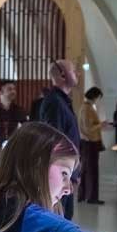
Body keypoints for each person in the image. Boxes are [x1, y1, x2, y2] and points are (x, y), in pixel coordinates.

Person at [40, 60, 81, 220]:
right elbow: (54, 143)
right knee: (60, 221)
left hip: (66, 175)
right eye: (73, 70)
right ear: (63, 75)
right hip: (60, 178)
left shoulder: (62, 102)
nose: (77, 73)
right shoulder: (55, 103)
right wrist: (64, 177)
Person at [78, 87, 110, 204]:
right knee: (92, 170)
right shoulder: (87, 109)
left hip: (87, 142)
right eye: (98, 98)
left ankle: (83, 195)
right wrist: (100, 125)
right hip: (90, 142)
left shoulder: (86, 108)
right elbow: (88, 128)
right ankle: (92, 197)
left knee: (86, 169)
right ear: (95, 96)